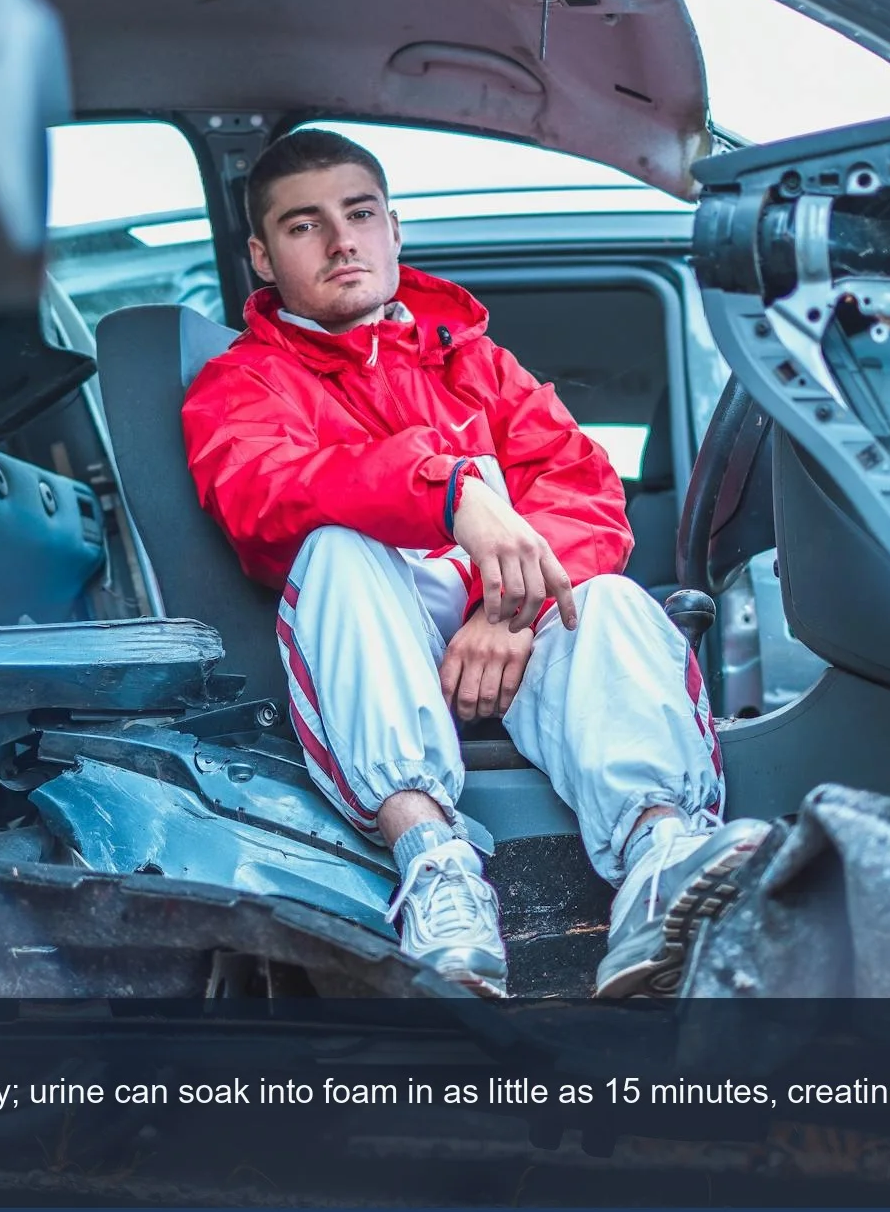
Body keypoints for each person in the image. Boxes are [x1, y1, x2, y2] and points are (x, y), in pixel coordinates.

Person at [182, 130, 772, 997]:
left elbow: (585, 494)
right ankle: (437, 870)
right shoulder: (243, 384)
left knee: (605, 596)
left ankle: (657, 863)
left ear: (395, 229)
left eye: (360, 213)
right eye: (305, 226)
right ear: (264, 258)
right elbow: (265, 499)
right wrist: (448, 490)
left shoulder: (478, 365)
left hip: (511, 646)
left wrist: (504, 615)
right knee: (339, 548)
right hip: (373, 656)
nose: (343, 241)